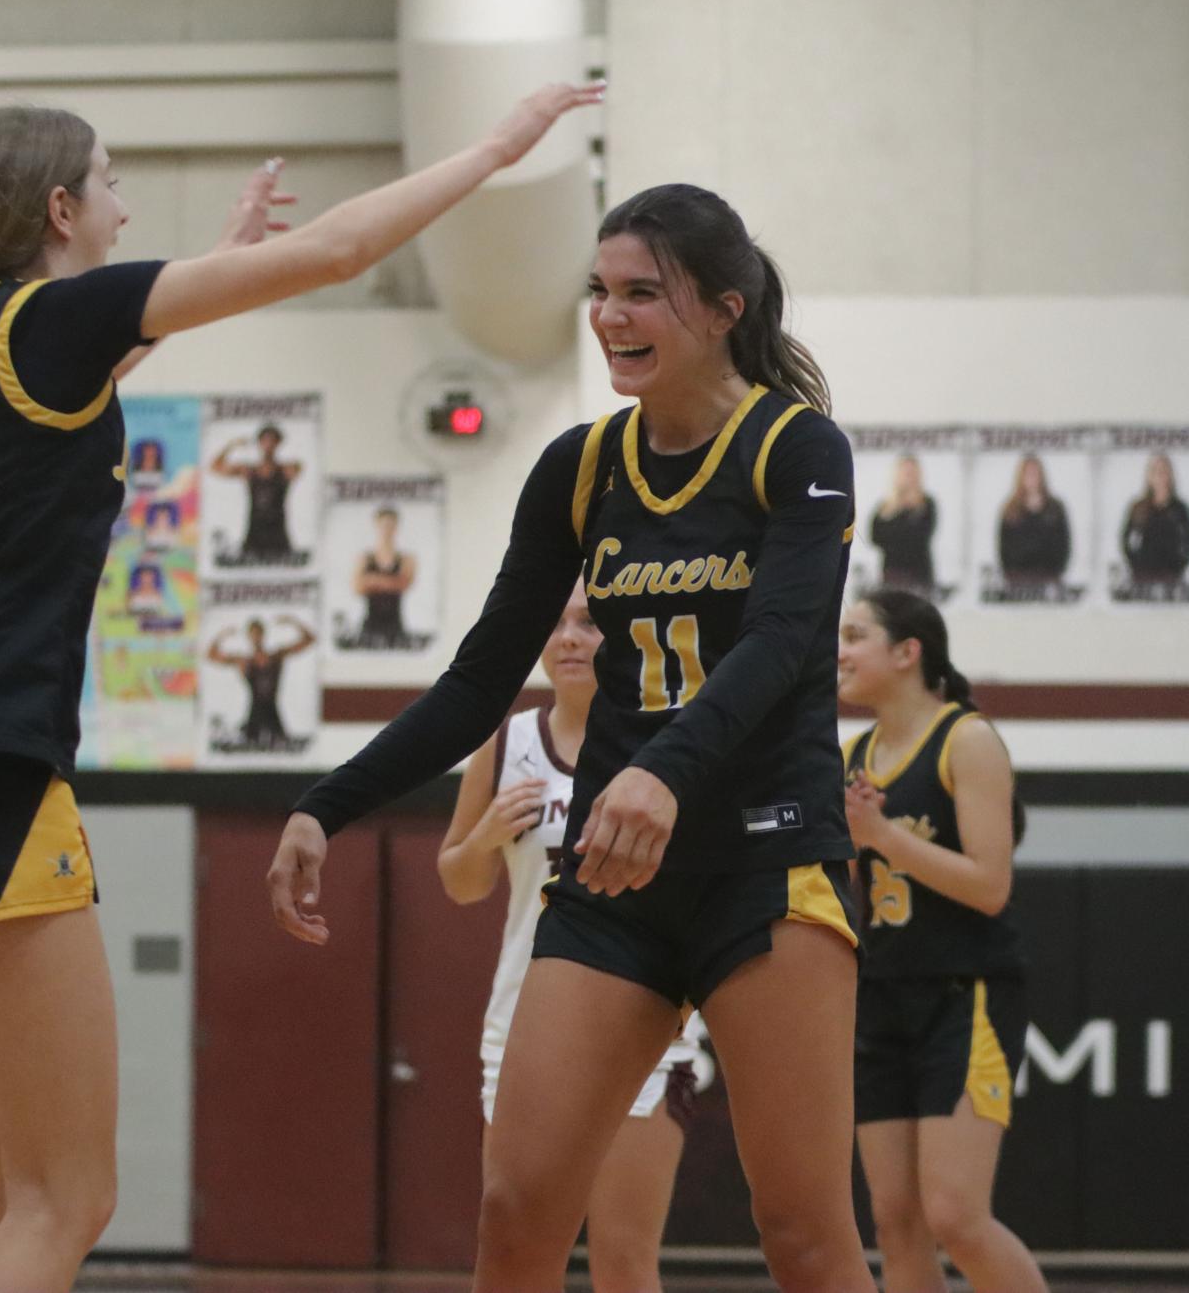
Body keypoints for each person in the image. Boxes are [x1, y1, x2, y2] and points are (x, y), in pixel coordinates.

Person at [0, 82, 601, 1293]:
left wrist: (227, 262)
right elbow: (338, 250)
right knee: (70, 1196)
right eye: (116, 182)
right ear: (62, 206)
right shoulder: (49, 320)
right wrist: (496, 148)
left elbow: (109, 350)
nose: (129, 211)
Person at [271, 182, 876, 1291]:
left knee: (803, 1235)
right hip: (613, 880)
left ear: (724, 309)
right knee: (516, 1209)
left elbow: (787, 640)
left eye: (643, 293)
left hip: (767, 863)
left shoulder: (799, 448)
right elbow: (474, 682)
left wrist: (662, 771)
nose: (609, 315)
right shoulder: (581, 466)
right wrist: (326, 803)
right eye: (599, 291)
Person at [437, 584, 702, 1293]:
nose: (569, 639)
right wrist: (488, 833)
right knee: (515, 1245)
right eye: (555, 624)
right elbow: (460, 880)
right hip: (519, 1023)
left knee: (621, 1261)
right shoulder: (508, 740)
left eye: (589, 623)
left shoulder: (665, 741)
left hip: (641, 1024)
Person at [836, 591, 1043, 1293]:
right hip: (882, 995)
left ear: (906, 652)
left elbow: (990, 885)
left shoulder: (967, 739)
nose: (839, 651)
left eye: (855, 635)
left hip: (967, 992)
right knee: (894, 1223)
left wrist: (883, 838)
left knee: (954, 1215)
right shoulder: (852, 755)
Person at [206, 615, 317, 748]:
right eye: (253, 635)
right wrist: (222, 635)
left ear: (263, 635)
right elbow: (211, 655)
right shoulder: (245, 661)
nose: (256, 638)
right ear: (249, 637)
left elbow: (309, 639)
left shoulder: (276, 657)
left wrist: (292, 621)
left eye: (258, 634)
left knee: (281, 749)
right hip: (254, 714)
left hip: (273, 713)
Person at [211, 425, 302, 562]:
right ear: (259, 443)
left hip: (277, 534)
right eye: (265, 440)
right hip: (254, 533)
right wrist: (231, 446)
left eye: (272, 441)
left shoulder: (286, 469)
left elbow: (299, 467)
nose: (268, 445)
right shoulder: (249, 470)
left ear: (278, 443)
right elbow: (215, 467)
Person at [1119, 451, 1189, 583]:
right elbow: (1125, 538)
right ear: (1149, 476)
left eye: (1164, 470)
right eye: (1156, 471)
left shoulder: (1180, 508)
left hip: (1172, 574)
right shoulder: (1139, 507)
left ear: (1171, 475)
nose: (1160, 475)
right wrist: (1134, 564)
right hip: (1143, 574)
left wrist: (1182, 564)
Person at [996, 453, 1070, 584]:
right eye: (1028, 473)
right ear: (1021, 477)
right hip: (1017, 581)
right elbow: (1003, 550)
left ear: (1042, 476)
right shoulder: (1010, 510)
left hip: (1049, 579)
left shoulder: (1055, 508)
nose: (1032, 478)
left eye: (1035, 473)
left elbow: (1064, 546)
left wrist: (1055, 574)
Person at [870, 454, 938, 596]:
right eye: (905, 473)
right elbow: (875, 537)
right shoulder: (886, 506)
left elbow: (919, 537)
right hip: (891, 576)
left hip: (919, 577)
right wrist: (895, 508)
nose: (909, 477)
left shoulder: (927, 504)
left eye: (912, 473)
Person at [352, 505, 419, 648]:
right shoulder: (365, 558)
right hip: (369, 626)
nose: (387, 530)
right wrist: (391, 581)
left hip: (396, 626)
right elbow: (358, 587)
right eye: (383, 525)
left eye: (391, 525)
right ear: (376, 525)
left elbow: (404, 584)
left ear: (396, 527)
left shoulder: (406, 559)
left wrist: (371, 580)